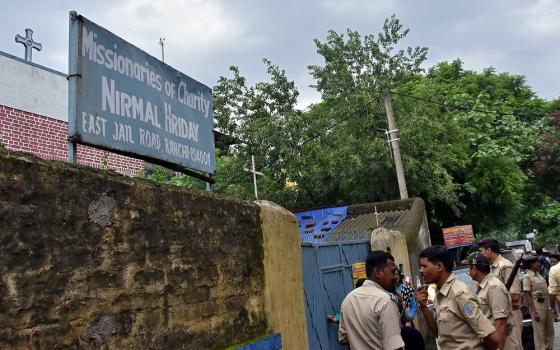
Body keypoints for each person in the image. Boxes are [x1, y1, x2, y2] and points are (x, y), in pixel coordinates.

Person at [416, 245, 499, 350]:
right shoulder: (440, 294)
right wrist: (423, 307)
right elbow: (439, 334)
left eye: (424, 266)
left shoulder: (459, 293)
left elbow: (492, 338)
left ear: (439, 267)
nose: (421, 271)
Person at [338, 250, 404, 350]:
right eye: (392, 271)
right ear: (378, 272)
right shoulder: (385, 301)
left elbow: (343, 338)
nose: (396, 276)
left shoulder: (348, 299)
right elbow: (395, 347)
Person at [465, 252, 522, 350]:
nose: (468, 272)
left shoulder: (493, 287)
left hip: (504, 344)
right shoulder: (484, 286)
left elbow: (501, 322)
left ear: (474, 269)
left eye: (469, 268)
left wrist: (499, 348)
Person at [478, 237, 524, 345]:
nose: (480, 255)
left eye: (481, 251)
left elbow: (515, 295)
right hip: (499, 316)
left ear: (489, 250)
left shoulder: (505, 266)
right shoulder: (492, 268)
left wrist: (496, 296)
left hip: (511, 314)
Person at [523, 254, 555, 349]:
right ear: (531, 264)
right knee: (540, 332)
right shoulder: (527, 277)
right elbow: (527, 294)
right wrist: (533, 311)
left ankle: (549, 348)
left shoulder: (538, 275)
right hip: (537, 304)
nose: (539, 264)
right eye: (537, 262)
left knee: (549, 330)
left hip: (546, 303)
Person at [548, 253, 560, 322]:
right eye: (551, 262)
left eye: (554, 262)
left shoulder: (553, 269)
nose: (552, 264)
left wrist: (552, 307)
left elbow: (552, 291)